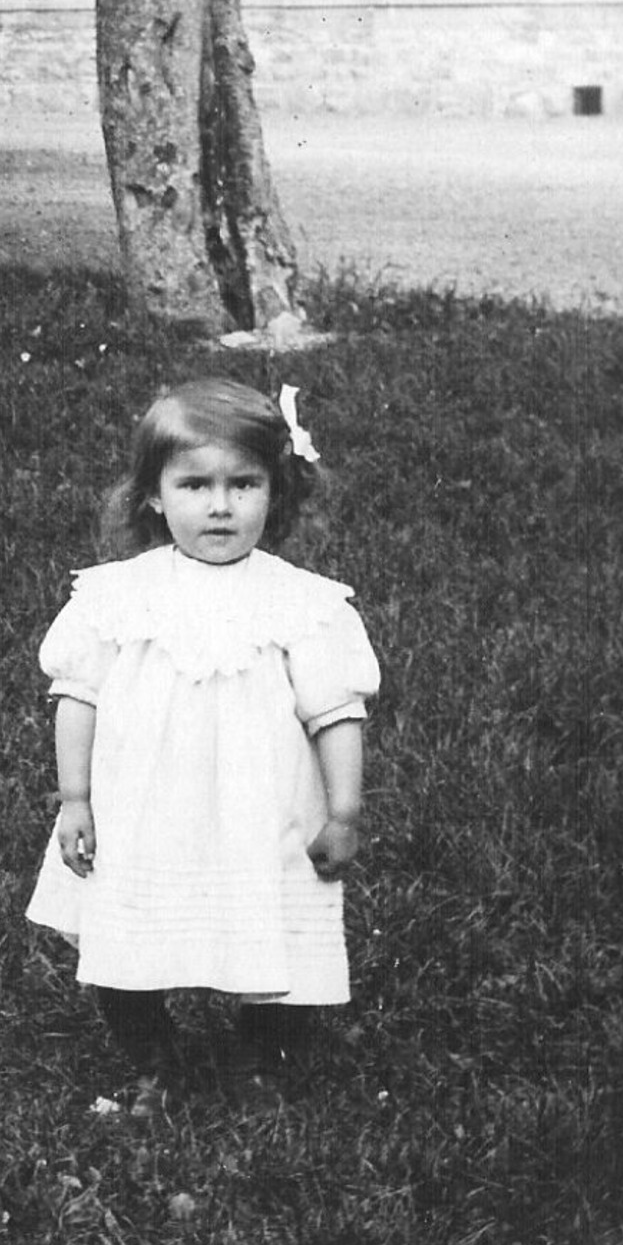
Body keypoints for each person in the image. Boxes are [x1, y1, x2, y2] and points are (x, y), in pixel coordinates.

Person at [25, 378, 380, 1116]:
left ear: (274, 492)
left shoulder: (303, 603)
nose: (219, 505)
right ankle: (151, 1060)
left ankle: (262, 1058)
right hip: (144, 812)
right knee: (124, 938)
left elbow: (337, 712)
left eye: (243, 484)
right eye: (194, 484)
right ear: (153, 495)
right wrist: (77, 800)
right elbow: (78, 696)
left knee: (279, 930)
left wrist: (343, 813)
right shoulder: (115, 595)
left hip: (260, 814)